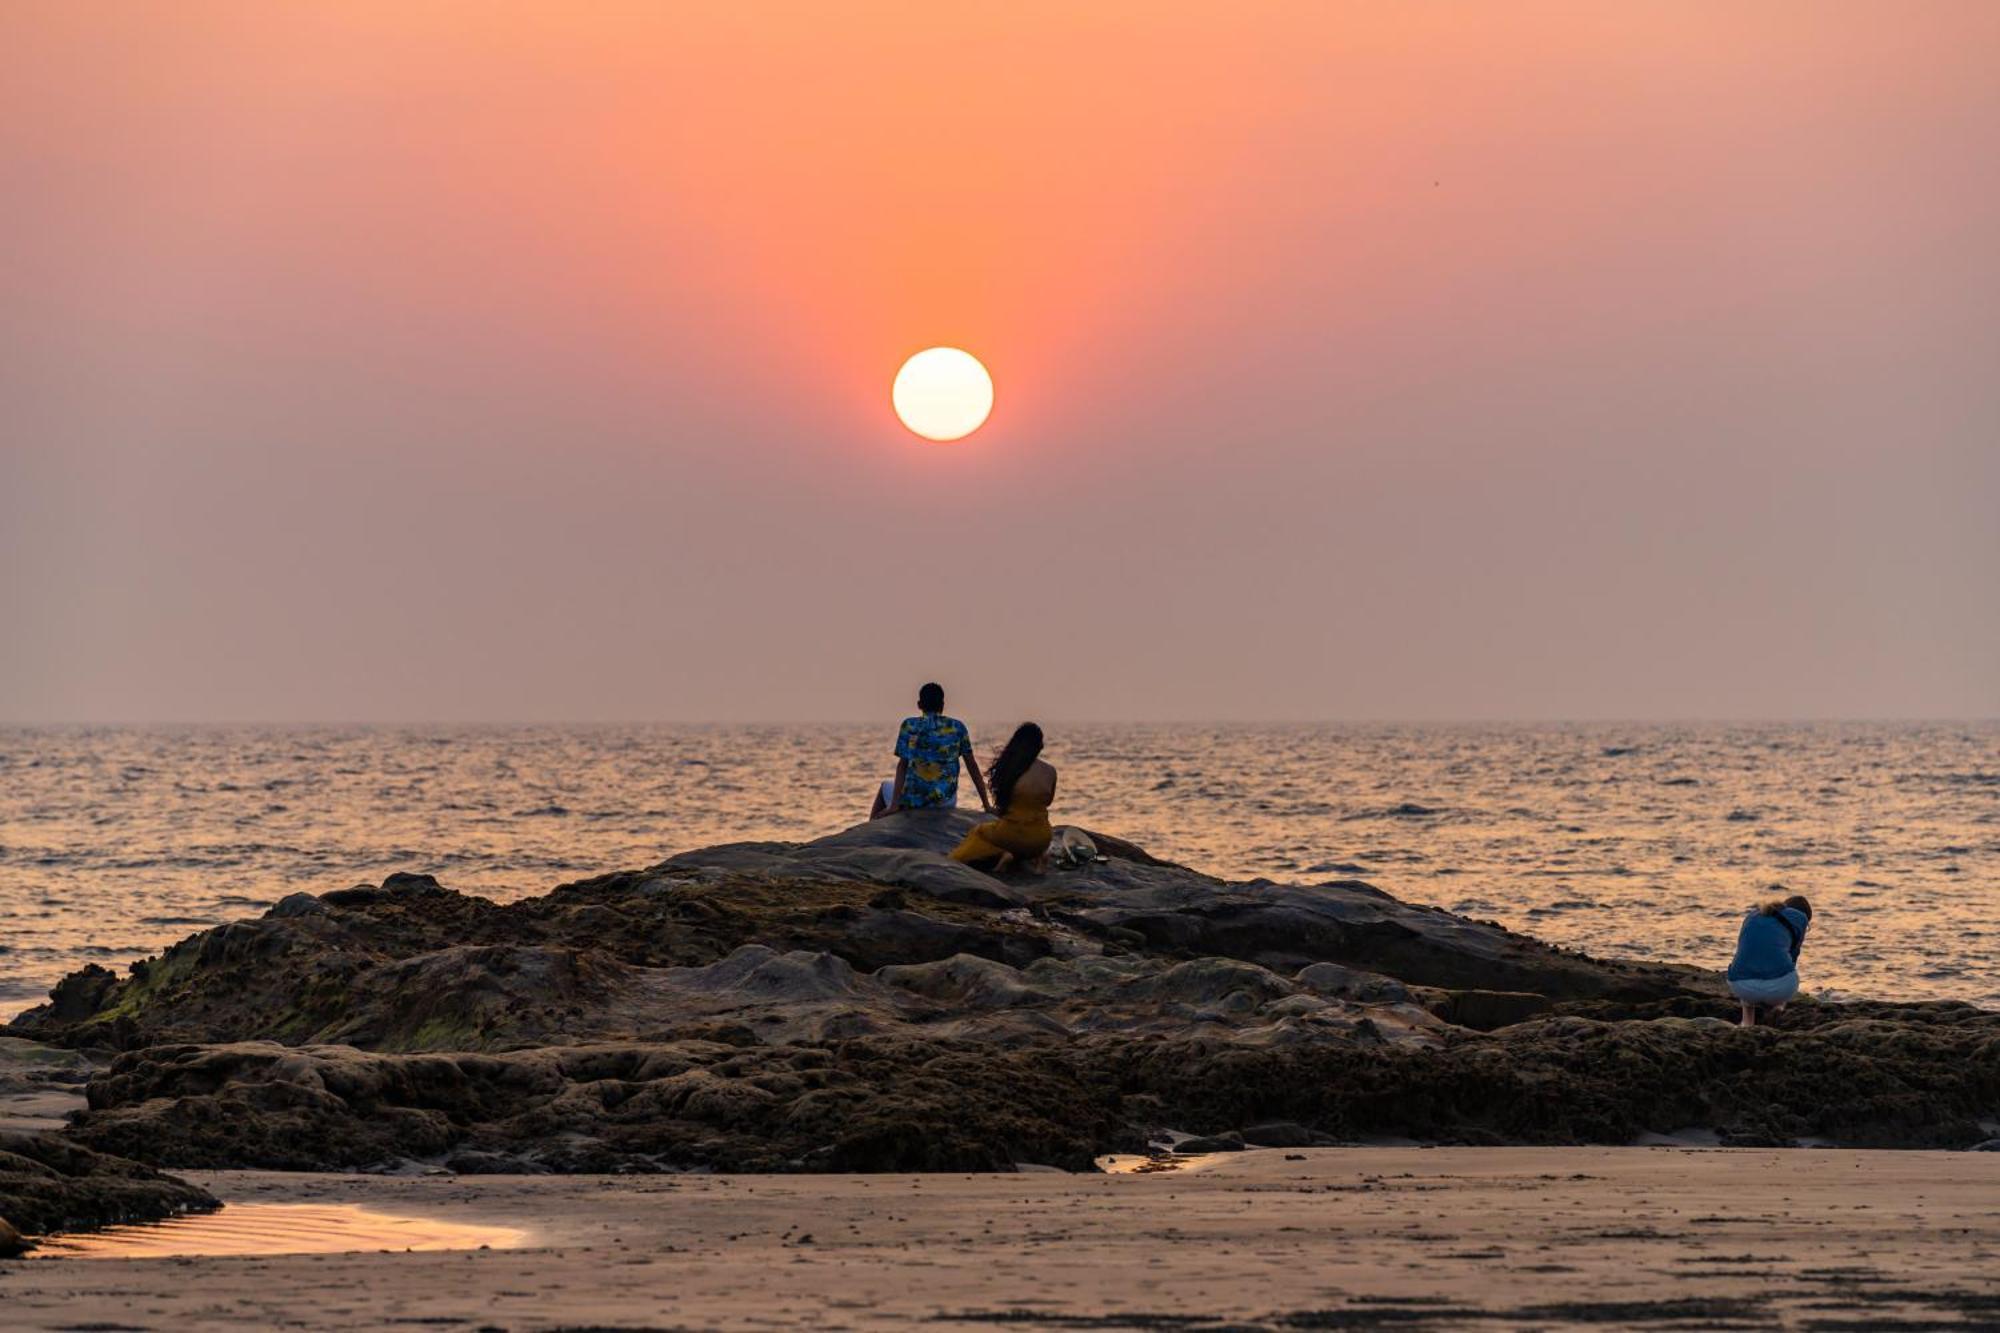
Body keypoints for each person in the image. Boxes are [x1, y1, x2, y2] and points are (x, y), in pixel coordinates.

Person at [950, 722, 1056, 873]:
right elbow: (1048, 801)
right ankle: (1038, 856)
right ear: (1040, 746)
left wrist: (991, 809)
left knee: (979, 832)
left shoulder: (1009, 767)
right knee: (1029, 841)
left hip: (1011, 835)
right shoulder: (1050, 771)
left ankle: (1007, 855)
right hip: (1042, 838)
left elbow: (1002, 808)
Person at [878, 682, 991, 817]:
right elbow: (972, 765)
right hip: (945, 801)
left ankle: (870, 830)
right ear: (942, 705)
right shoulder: (957, 727)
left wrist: (894, 805)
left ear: (919, 705)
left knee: (884, 787)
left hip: (914, 800)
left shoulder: (909, 725)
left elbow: (902, 765)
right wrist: (986, 805)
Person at [1727, 893, 1813, 1026]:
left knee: (1746, 968)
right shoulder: (1800, 918)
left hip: (1740, 986)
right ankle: (1778, 1007)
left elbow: (1742, 949)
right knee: (1789, 972)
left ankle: (1747, 1022)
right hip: (1778, 989)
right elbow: (1793, 957)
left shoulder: (1752, 915)